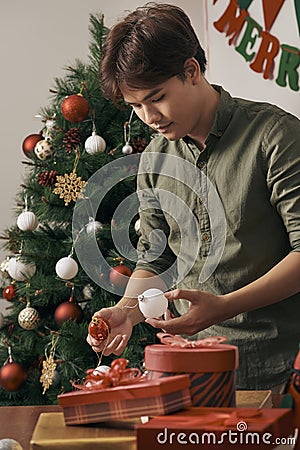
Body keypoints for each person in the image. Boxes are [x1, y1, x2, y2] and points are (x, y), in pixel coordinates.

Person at [86, 2, 300, 391]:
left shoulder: (275, 136)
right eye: (136, 106)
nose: (148, 116)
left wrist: (223, 307)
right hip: (187, 372)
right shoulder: (155, 157)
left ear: (192, 71)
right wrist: (126, 311)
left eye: (156, 97)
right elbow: (158, 256)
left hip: (278, 369)